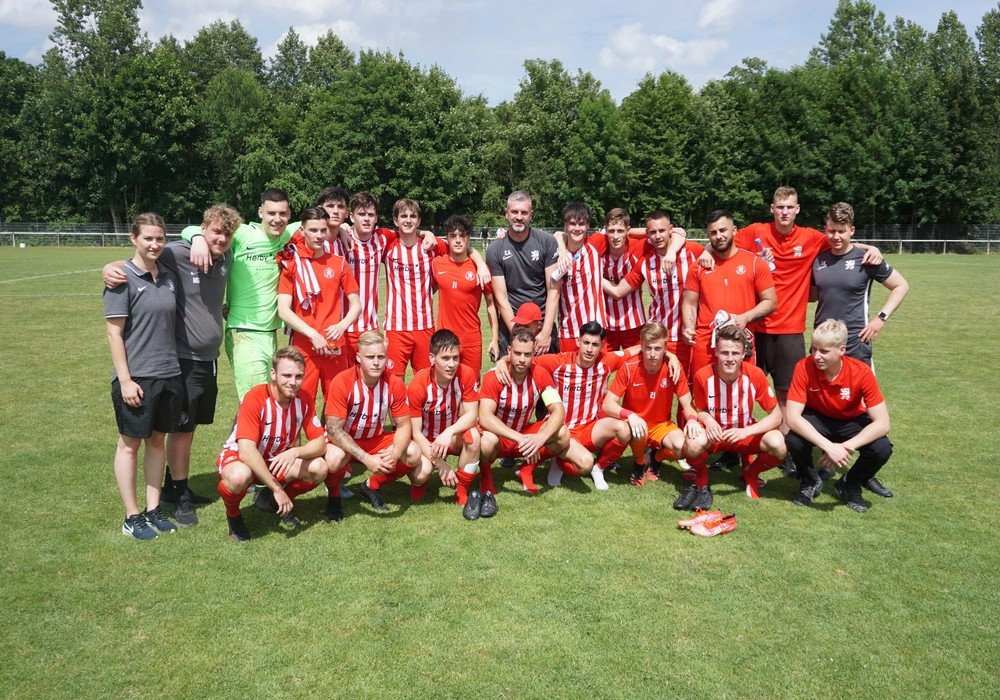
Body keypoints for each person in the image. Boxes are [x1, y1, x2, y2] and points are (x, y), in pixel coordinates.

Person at [706, 187, 882, 449]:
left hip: (789, 329)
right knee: (739, 388)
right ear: (772, 209)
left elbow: (841, 241)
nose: (784, 212)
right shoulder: (756, 232)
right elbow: (721, 238)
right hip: (753, 328)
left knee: (786, 394)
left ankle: (786, 448)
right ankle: (734, 448)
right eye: (780, 207)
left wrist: (872, 248)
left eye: (790, 207)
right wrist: (705, 251)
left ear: (797, 209)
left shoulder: (811, 238)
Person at [103, 204, 242, 525]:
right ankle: (178, 495)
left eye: (227, 234)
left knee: (188, 427)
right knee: (180, 429)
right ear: (202, 229)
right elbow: (140, 259)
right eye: (215, 232)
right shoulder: (178, 252)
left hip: (209, 359)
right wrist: (109, 268)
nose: (221, 239)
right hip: (181, 359)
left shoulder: (227, 256)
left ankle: (172, 486)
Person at [104, 214, 183, 540]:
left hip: (169, 373)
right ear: (134, 239)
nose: (155, 244)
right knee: (130, 445)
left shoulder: (168, 276)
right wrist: (125, 380)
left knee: (156, 442)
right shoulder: (121, 278)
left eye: (159, 238)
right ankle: (131, 516)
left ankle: (153, 509)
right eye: (148, 238)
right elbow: (113, 333)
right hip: (137, 377)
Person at [215, 347, 340, 541]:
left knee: (319, 468)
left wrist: (295, 452)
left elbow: (320, 444)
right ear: (273, 374)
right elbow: (247, 452)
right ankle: (233, 515)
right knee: (239, 477)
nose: (293, 382)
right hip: (239, 458)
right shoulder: (255, 398)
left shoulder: (304, 399)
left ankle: (275, 501)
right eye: (287, 375)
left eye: (298, 376)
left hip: (274, 459)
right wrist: (277, 488)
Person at [507, 321, 644, 491]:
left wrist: (670, 356)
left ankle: (599, 468)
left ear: (602, 346)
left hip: (589, 428)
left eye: (595, 344)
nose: (589, 349)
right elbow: (524, 359)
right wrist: (502, 362)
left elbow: (634, 350)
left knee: (624, 429)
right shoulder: (559, 362)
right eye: (586, 343)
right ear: (578, 341)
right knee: (584, 464)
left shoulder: (607, 361)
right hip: (560, 429)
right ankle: (558, 459)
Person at [183, 188, 293, 399]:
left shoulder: (289, 233)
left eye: (282, 213)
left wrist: (343, 228)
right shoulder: (242, 233)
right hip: (243, 331)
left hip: (271, 333)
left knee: (267, 403)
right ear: (260, 212)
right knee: (257, 402)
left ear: (289, 214)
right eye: (271, 213)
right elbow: (194, 229)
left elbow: (322, 224)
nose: (277, 219)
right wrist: (197, 238)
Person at [784, 320, 893, 512]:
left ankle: (849, 483)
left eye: (824, 351)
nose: (816, 356)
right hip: (818, 418)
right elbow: (792, 417)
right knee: (794, 439)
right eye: (814, 349)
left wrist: (843, 448)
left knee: (882, 448)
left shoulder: (861, 372)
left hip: (850, 419)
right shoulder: (804, 366)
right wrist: (828, 447)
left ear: (842, 350)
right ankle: (810, 480)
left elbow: (883, 423)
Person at [478, 326, 593, 497]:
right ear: (509, 351)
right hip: (499, 438)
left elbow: (558, 410)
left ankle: (527, 468)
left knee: (562, 433)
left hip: (524, 436)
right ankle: (486, 477)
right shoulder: (494, 376)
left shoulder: (540, 374)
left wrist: (541, 438)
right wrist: (520, 438)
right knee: (486, 441)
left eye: (527, 354)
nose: (522, 359)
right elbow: (485, 417)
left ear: (533, 354)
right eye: (517, 353)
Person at [324, 331, 428, 516]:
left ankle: (372, 485)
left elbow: (404, 425)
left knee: (412, 452)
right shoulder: (342, 381)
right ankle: (334, 497)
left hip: (375, 439)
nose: (376, 362)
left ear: (387, 357)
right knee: (333, 459)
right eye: (370, 357)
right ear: (358, 357)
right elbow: (333, 430)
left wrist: (395, 453)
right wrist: (366, 459)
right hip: (345, 441)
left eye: (381, 357)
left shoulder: (394, 383)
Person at [383, 198, 489, 379]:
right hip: (395, 327)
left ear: (419, 220)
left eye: (412, 216)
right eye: (403, 216)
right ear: (395, 220)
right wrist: (344, 228)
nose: (408, 220)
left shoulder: (431, 246)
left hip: (425, 327)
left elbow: (462, 245)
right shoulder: (388, 244)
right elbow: (362, 236)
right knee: (394, 383)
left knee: (428, 381)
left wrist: (479, 262)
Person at [684, 324, 788, 503]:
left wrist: (746, 432)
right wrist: (709, 421)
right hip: (714, 435)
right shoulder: (702, 376)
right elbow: (700, 409)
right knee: (692, 443)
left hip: (744, 434)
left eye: (735, 353)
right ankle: (701, 474)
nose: (730, 359)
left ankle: (751, 473)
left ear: (743, 354)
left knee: (779, 445)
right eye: (725, 353)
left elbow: (776, 415)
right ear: (716, 352)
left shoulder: (755, 375)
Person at [277, 206, 362, 413]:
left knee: (337, 405)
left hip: (334, 347)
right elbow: (283, 311)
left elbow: (357, 305)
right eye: (313, 230)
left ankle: (328, 435)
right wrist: (313, 335)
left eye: (323, 230)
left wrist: (342, 325)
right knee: (298, 406)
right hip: (304, 348)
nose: (319, 235)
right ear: (302, 231)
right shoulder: (292, 264)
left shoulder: (339, 263)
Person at [603, 210, 702, 378]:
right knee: (657, 386)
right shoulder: (645, 262)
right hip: (659, 336)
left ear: (671, 229)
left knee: (692, 385)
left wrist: (707, 251)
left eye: (662, 230)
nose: (658, 236)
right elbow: (619, 291)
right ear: (647, 234)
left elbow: (714, 250)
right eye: (653, 232)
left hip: (690, 334)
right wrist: (592, 272)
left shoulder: (692, 251)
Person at [811, 202, 909, 370]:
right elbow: (812, 296)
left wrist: (881, 318)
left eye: (841, 231)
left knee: (860, 388)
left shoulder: (867, 259)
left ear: (852, 231)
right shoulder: (818, 259)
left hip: (855, 342)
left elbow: (901, 286)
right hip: (823, 343)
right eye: (832, 231)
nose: (836, 236)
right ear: (825, 229)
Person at [601, 321, 695, 490]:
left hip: (661, 425)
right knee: (638, 431)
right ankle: (639, 464)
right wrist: (630, 415)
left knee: (685, 448)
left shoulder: (673, 368)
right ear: (641, 346)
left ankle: (656, 458)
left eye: (657, 349)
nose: (652, 354)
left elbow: (687, 403)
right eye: (648, 348)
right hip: (634, 424)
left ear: (665, 348)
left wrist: (693, 420)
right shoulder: (629, 367)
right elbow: (608, 404)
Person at [681, 209, 777, 376]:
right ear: (708, 235)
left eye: (723, 230)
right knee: (704, 391)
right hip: (706, 346)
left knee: (741, 391)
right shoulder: (698, 267)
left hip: (740, 344)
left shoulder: (755, 263)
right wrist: (689, 327)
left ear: (734, 230)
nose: (718, 236)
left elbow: (771, 301)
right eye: (713, 233)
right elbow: (689, 303)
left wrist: (745, 318)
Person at [407, 330, 483, 511]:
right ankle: (419, 483)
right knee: (422, 473)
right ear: (432, 358)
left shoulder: (466, 373)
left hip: (451, 438)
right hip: (426, 440)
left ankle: (461, 491)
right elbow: (415, 433)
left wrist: (449, 432)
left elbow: (472, 415)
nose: (452, 364)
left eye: (455, 358)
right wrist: (441, 465)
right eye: (445, 358)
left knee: (474, 436)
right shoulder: (418, 384)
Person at [486, 191, 561, 356]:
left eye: (524, 212)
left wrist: (546, 332)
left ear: (531, 215)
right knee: (509, 373)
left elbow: (553, 290)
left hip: (542, 328)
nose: (519, 217)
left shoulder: (546, 242)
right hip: (511, 326)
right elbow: (501, 298)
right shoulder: (495, 249)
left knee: (546, 373)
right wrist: (517, 335)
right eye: (514, 212)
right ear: (506, 213)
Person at [432, 214, 499, 376]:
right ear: (447, 238)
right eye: (453, 236)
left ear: (468, 238)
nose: (458, 240)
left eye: (462, 236)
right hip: (444, 340)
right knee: (444, 386)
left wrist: (495, 339)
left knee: (471, 386)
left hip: (471, 340)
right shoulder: (437, 264)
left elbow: (491, 305)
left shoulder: (480, 270)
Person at [552, 202, 607, 352]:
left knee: (599, 368)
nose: (577, 228)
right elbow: (557, 234)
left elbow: (624, 229)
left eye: (582, 224)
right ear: (565, 225)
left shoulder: (595, 244)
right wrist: (562, 251)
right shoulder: (555, 253)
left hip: (596, 331)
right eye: (572, 224)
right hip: (568, 331)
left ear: (588, 225)